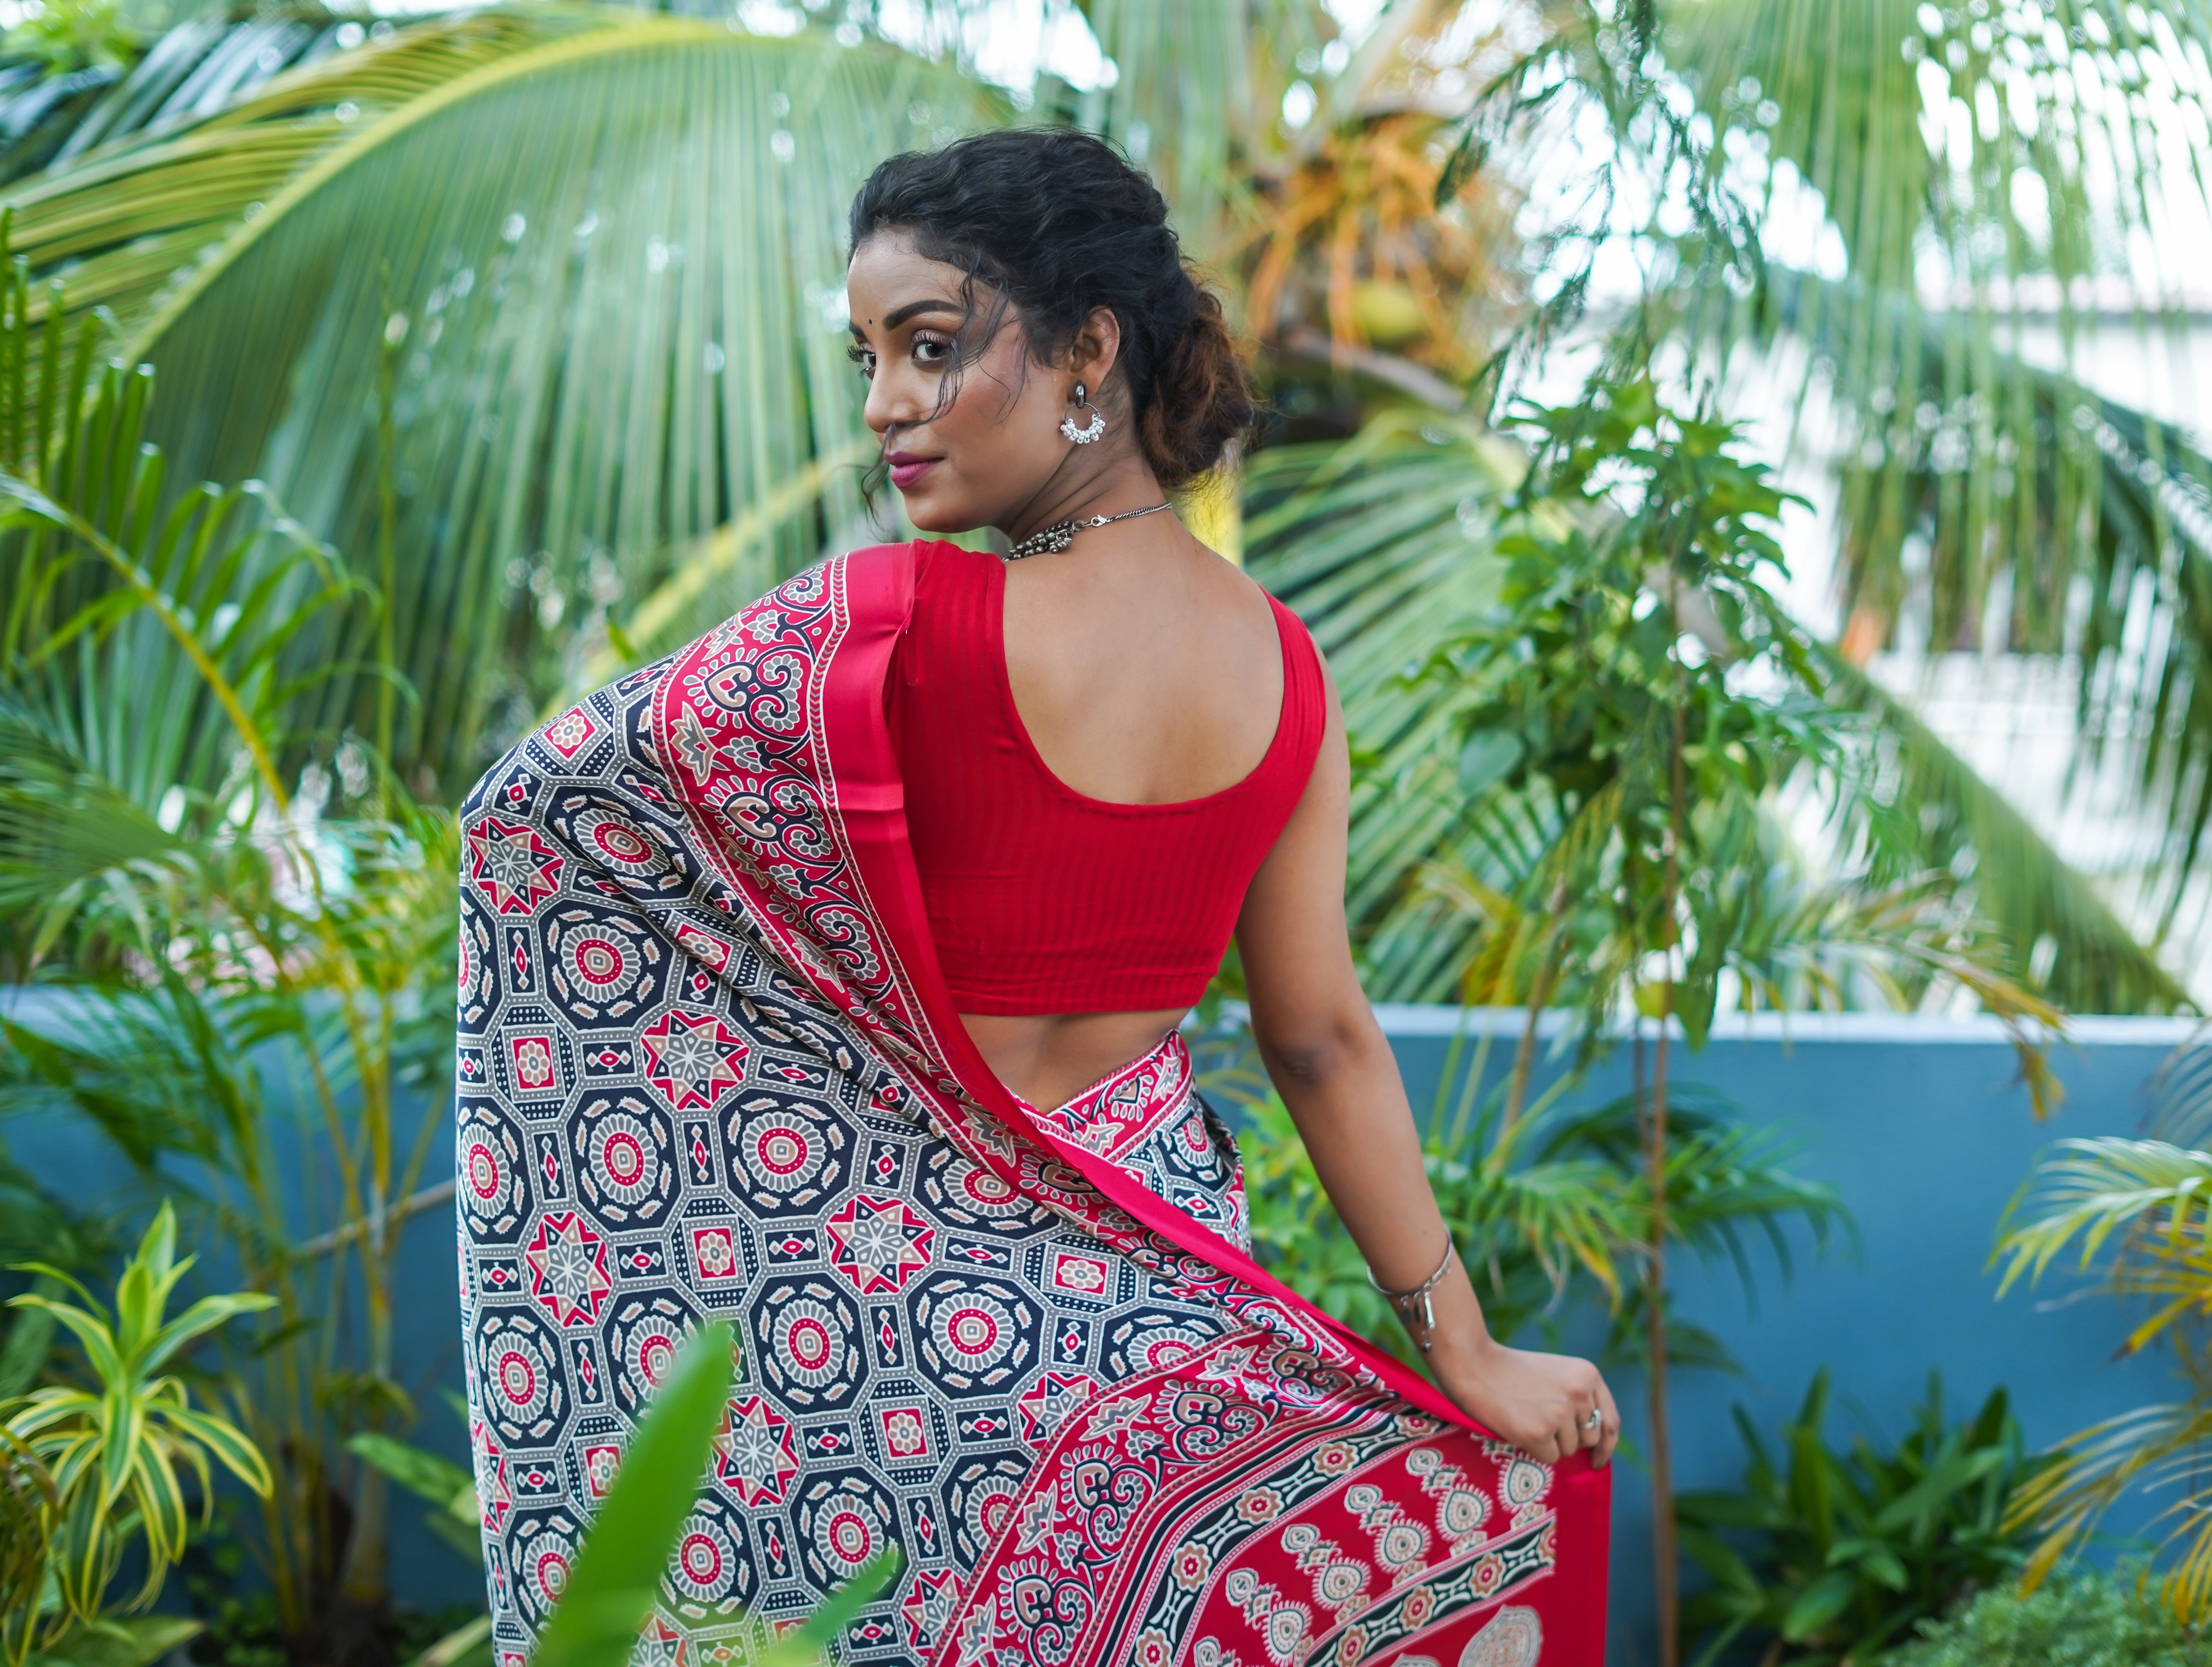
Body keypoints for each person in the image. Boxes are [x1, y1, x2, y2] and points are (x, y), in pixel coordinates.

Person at [458, 128, 1613, 1667]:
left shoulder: (876, 630)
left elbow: (534, 824)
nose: (884, 407)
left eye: (931, 349)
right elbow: (1323, 1039)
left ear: (1087, 350)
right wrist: (1461, 1351)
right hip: (1142, 1373)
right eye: (868, 356)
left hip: (876, 1392)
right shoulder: (1289, 672)